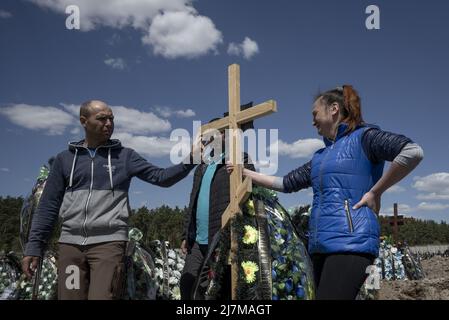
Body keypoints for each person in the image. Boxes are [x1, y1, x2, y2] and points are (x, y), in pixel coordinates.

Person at [227, 86, 424, 299]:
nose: (313, 121)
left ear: (334, 109)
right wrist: (244, 172)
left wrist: (376, 191)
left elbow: (412, 152)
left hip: (351, 243)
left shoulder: (365, 138)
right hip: (320, 247)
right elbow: (286, 183)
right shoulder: (320, 157)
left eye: (315, 114)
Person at [22, 100, 200, 300]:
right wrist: (34, 246)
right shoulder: (65, 159)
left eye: (111, 119)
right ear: (84, 121)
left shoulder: (125, 157)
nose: (108, 123)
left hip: (108, 245)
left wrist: (191, 159)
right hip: (70, 247)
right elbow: (48, 205)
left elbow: (162, 177)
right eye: (102, 118)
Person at [180, 111, 255, 300]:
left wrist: (240, 170)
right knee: (187, 283)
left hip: (222, 236)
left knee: (218, 289)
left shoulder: (239, 158)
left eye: (221, 131)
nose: (214, 136)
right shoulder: (202, 166)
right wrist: (185, 234)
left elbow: (255, 187)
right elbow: (193, 201)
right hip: (198, 239)